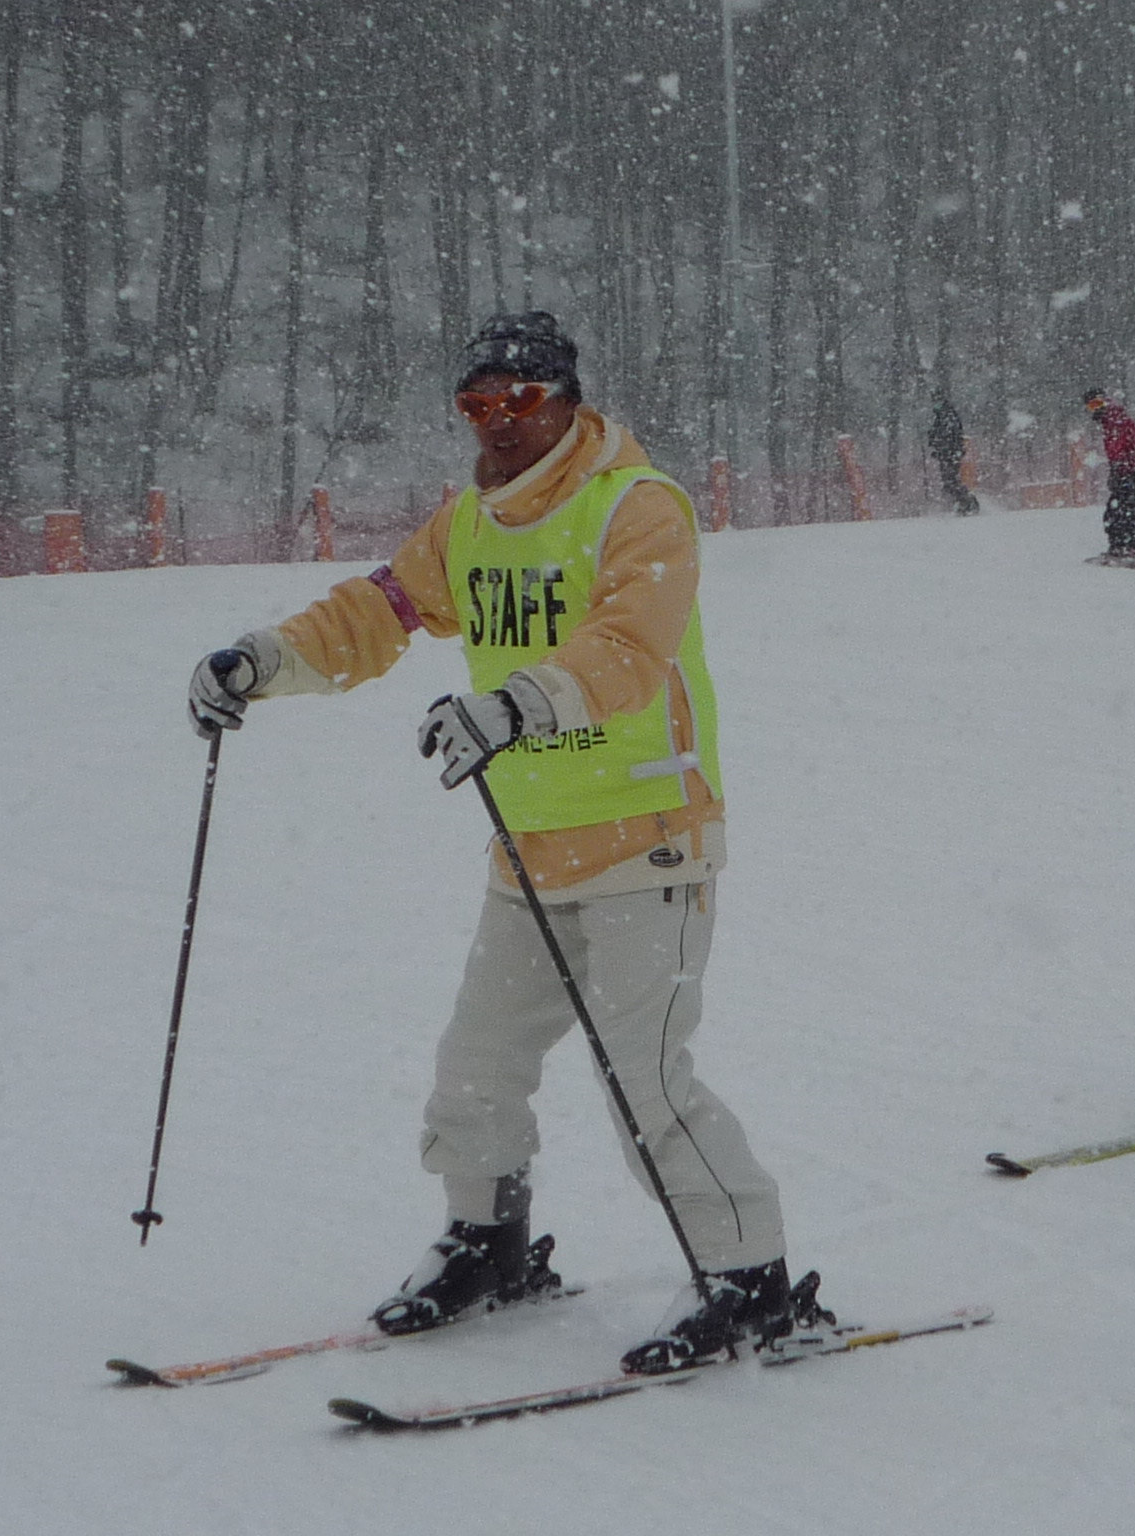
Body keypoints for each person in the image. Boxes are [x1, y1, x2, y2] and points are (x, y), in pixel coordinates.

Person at [186, 312, 815, 1375]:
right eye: (476, 403)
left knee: (647, 1082)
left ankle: (749, 1280)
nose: (497, 421)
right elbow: (374, 615)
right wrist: (260, 661)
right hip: (528, 851)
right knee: (475, 1071)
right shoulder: (468, 525)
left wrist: (519, 704)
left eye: (519, 399)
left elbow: (628, 648)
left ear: (566, 400)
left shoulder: (638, 506)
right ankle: (489, 1244)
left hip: (649, 844)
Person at [1082, 388, 1135, 568]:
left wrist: (1127, 470)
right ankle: (1119, 548)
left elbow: (1124, 449)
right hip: (1129, 472)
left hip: (1134, 473)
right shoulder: (1110, 422)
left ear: (1105, 401)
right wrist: (1117, 471)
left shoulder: (1116, 421)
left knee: (1126, 513)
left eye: (1098, 404)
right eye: (1092, 406)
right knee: (1114, 513)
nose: (1096, 409)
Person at [927, 391, 979, 515]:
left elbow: (950, 437)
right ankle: (963, 502)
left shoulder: (948, 416)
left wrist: (945, 449)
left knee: (951, 481)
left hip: (950, 454)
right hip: (947, 454)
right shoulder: (941, 416)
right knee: (949, 481)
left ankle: (966, 502)